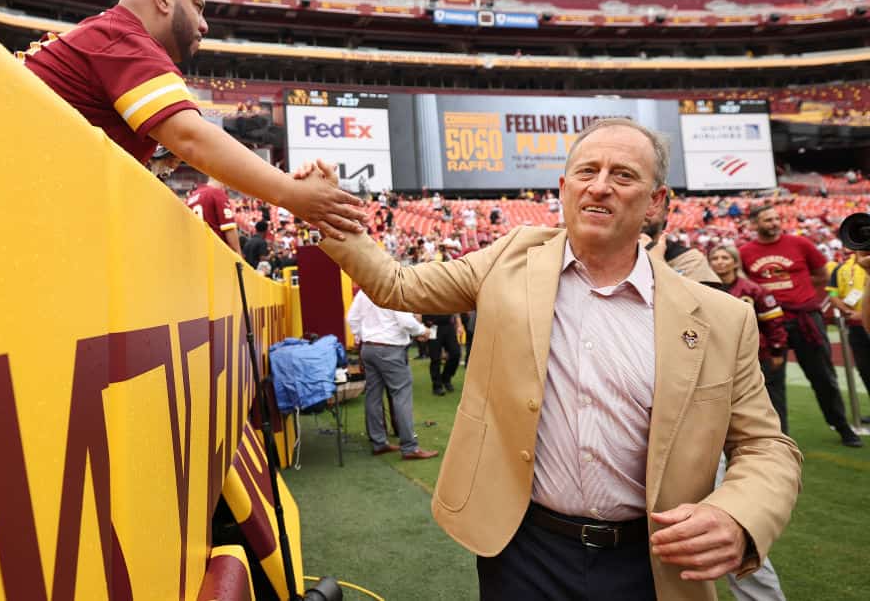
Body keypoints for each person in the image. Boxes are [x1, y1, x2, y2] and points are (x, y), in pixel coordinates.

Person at [301, 118, 802, 600]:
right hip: (523, 550)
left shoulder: (720, 317)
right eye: (587, 172)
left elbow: (765, 445)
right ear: (563, 187)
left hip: (651, 562)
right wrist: (322, 207)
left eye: (623, 175)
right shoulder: (510, 257)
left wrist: (739, 514)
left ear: (657, 201)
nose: (600, 186)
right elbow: (397, 283)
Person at [20, 0, 363, 241]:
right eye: (198, 7)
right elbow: (190, 137)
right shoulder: (123, 37)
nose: (204, 26)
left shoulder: (105, 35)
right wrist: (292, 194)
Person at [739, 205, 862, 447]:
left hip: (806, 319)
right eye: (767, 220)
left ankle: (842, 425)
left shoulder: (801, 244)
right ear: (754, 224)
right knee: (772, 382)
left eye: (776, 219)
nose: (774, 223)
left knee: (824, 376)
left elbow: (821, 275)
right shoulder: (744, 251)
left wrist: (799, 293)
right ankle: (779, 436)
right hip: (769, 322)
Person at [708, 244, 789, 601]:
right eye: (716, 258)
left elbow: (762, 445)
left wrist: (776, 351)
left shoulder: (749, 292)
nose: (721, 262)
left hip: (726, 396)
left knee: (729, 528)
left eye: (725, 258)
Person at [346, 290, 438, 460]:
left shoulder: (365, 291)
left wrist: (363, 335)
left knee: (373, 396)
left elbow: (351, 318)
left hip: (369, 347)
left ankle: (379, 442)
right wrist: (422, 330)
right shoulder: (393, 290)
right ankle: (409, 447)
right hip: (390, 348)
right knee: (401, 395)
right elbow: (405, 322)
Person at [641, 195, 721, 289]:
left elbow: (700, 301)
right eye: (635, 205)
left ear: (666, 213)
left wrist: (658, 264)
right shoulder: (619, 256)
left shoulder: (688, 259)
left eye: (652, 204)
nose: (642, 211)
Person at [829, 251, 870, 423]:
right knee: (865, 369)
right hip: (855, 327)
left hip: (864, 318)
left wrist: (862, 314)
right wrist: (844, 309)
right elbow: (832, 294)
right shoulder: (841, 268)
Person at [186, 176, 241, 255]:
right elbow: (229, 228)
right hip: (216, 251)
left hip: (197, 251)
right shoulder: (216, 193)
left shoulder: (191, 197)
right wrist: (239, 256)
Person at [423, 312, 461, 395]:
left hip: (448, 326)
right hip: (433, 326)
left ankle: (446, 378)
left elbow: (456, 311)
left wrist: (459, 325)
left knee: (456, 353)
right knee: (435, 358)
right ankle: (437, 386)